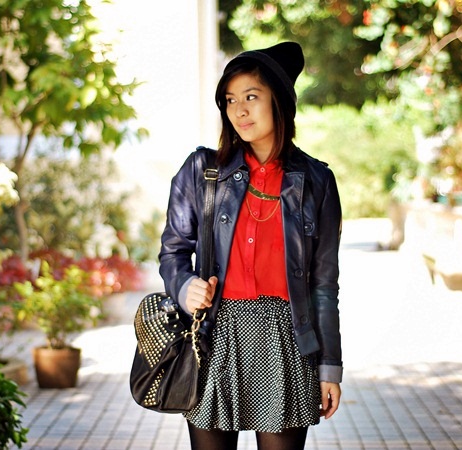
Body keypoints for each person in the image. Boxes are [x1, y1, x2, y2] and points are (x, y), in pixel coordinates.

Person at [158, 41, 343, 450]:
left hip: (286, 340)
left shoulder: (317, 182)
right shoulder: (202, 171)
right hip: (215, 334)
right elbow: (173, 252)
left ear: (279, 102)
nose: (239, 110)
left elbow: (323, 285)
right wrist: (185, 286)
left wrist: (330, 366)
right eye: (230, 100)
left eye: (251, 97)